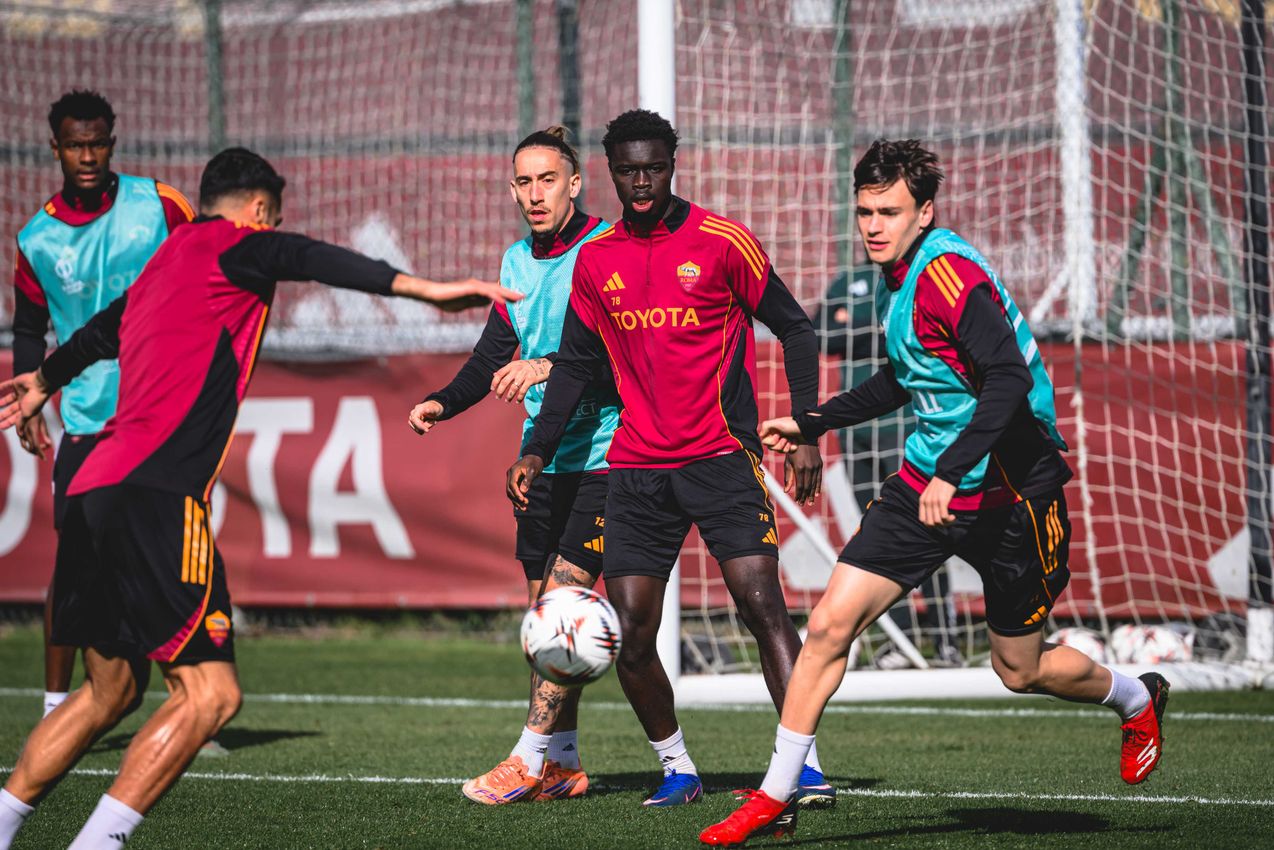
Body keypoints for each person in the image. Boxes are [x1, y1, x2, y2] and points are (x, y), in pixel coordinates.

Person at [0, 147, 519, 850]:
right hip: (156, 491)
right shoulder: (238, 245)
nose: (271, 231)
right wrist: (427, 290)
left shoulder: (165, 261)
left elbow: (100, 329)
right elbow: (311, 257)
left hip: (94, 486)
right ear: (256, 210)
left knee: (110, 692)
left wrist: (43, 379)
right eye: (270, 218)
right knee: (212, 695)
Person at [699, 139, 1169, 847]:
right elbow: (902, 379)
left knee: (1019, 669)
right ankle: (777, 792)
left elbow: (1007, 380)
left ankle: (1137, 696)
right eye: (864, 211)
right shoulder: (895, 280)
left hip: (1012, 495)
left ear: (925, 212)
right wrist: (814, 420)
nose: (873, 225)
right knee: (829, 625)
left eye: (889, 211)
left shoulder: (949, 276)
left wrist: (952, 471)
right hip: (924, 488)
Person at [506, 109, 834, 809]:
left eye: (653, 166)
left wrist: (807, 429)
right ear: (612, 172)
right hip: (635, 470)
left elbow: (796, 328)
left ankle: (802, 766)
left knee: (762, 605)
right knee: (629, 631)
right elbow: (572, 367)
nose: (642, 181)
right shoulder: (596, 259)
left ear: (673, 162)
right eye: (627, 170)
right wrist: (536, 451)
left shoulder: (721, 242)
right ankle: (678, 767)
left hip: (719, 458)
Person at [408, 126, 618, 804]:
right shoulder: (517, 262)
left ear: (576, 183)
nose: (534, 194)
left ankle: (527, 759)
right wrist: (443, 401)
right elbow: (493, 354)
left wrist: (548, 365)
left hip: (607, 458)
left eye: (547, 179)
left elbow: (623, 361)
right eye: (523, 182)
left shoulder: (605, 252)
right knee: (545, 627)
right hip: (542, 462)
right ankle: (563, 764)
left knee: (562, 615)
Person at [12, 89, 194, 720]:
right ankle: (54, 703)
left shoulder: (161, 206)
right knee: (74, 563)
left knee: (174, 561)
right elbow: (30, 325)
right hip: (87, 422)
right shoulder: (37, 238)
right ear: (55, 147)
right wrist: (28, 397)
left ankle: (191, 698)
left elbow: (203, 278)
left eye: (97, 143)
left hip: (164, 416)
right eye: (74, 144)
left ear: (112, 143)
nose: (86, 155)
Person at [816, 268, 961, 667]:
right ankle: (900, 640)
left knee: (925, 529)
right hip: (854, 432)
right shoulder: (845, 282)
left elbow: (898, 337)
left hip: (901, 425)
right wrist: (868, 330)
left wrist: (854, 325)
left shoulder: (909, 280)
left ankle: (946, 640)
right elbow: (821, 333)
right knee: (875, 532)